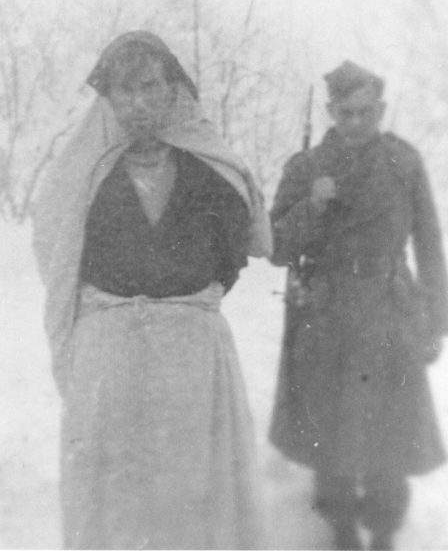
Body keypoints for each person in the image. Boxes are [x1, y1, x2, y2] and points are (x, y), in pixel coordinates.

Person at [32, 31, 272, 549]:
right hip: (110, 355)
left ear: (172, 89)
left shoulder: (211, 170)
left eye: (149, 85)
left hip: (192, 355)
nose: (137, 101)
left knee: (193, 491)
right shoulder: (84, 174)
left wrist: (178, 305)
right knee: (117, 496)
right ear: (109, 98)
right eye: (123, 90)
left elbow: (234, 252)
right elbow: (55, 250)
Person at [269, 60, 448, 551]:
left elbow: (430, 244)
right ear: (331, 111)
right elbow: (277, 247)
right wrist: (314, 203)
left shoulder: (404, 162)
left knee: (390, 428)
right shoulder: (305, 167)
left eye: (365, 112)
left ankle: (386, 530)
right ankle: (342, 528)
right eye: (345, 113)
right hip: (326, 315)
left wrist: (437, 320)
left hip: (390, 311)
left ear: (381, 110)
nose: (355, 123)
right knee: (331, 431)